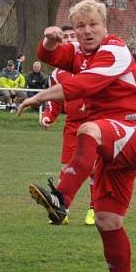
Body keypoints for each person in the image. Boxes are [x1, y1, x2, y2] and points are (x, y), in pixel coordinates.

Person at [19, 0, 136, 272]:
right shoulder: (81, 53)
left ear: (105, 25)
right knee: (107, 219)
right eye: (80, 26)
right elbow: (48, 55)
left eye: (92, 24)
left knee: (89, 130)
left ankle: (61, 200)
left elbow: (80, 86)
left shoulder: (114, 50)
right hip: (116, 138)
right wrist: (49, 38)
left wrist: (38, 97)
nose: (86, 31)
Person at [40, 25, 94, 226]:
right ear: (61, 42)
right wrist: (48, 115)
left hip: (94, 121)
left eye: (74, 36)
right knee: (67, 168)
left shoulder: (92, 63)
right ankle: (62, 209)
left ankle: (93, 209)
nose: (71, 39)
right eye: (67, 37)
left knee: (94, 169)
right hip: (72, 125)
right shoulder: (57, 73)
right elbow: (55, 100)